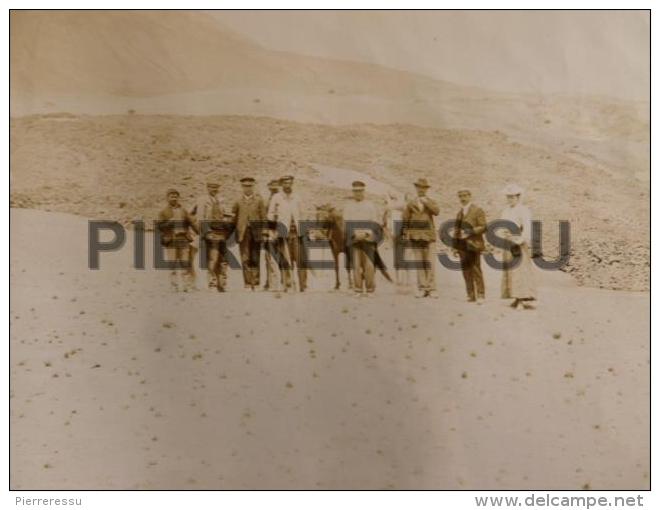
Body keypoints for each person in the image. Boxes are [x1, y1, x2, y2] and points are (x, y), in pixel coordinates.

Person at [499, 183, 537, 309]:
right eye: (508, 197)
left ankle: (521, 299)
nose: (510, 199)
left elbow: (527, 228)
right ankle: (515, 297)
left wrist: (520, 240)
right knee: (510, 271)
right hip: (508, 243)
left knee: (520, 271)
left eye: (513, 197)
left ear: (518, 197)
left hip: (518, 243)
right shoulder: (505, 210)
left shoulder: (524, 210)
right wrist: (502, 234)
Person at [266, 175, 307, 292]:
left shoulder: (297, 197)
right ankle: (288, 284)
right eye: (285, 183)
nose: (287, 185)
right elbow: (270, 214)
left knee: (300, 259)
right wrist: (275, 226)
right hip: (283, 233)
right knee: (285, 260)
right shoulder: (277, 198)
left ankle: (302, 285)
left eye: (289, 183)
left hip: (297, 233)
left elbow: (302, 214)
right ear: (281, 184)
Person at [343, 181, 383, 297]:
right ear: (353, 192)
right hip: (354, 239)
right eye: (356, 191)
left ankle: (370, 289)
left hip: (368, 239)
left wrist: (366, 233)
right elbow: (346, 223)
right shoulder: (348, 206)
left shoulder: (370, 205)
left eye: (360, 191)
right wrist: (355, 233)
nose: (358, 194)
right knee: (356, 264)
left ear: (364, 192)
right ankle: (358, 289)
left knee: (369, 265)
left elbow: (375, 222)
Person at [402, 178, 440, 298]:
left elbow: (437, 211)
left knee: (430, 263)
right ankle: (422, 288)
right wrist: (406, 233)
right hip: (415, 236)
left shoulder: (431, 201)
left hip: (429, 236)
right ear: (416, 188)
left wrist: (426, 202)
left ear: (426, 189)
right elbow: (405, 219)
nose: (421, 190)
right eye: (419, 187)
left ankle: (432, 288)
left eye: (423, 188)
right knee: (419, 263)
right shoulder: (411, 203)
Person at [192, 178, 231, 292]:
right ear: (207, 188)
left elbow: (225, 214)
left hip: (222, 233)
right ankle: (212, 283)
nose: (214, 190)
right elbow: (199, 217)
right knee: (212, 259)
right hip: (210, 233)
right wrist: (206, 232)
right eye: (212, 187)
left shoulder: (221, 200)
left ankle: (222, 283)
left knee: (224, 258)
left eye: (216, 188)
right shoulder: (202, 200)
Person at [157, 188, 199, 292]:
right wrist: (170, 222)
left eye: (176, 196)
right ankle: (174, 285)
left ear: (178, 198)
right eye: (172, 196)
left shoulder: (183, 210)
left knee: (185, 263)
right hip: (171, 240)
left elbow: (191, 222)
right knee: (172, 264)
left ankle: (186, 286)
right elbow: (160, 227)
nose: (174, 198)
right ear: (167, 198)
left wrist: (200, 232)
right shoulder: (163, 212)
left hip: (183, 239)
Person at [452, 188, 487, 303]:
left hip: (474, 245)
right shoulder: (459, 213)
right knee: (466, 270)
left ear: (470, 196)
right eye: (460, 196)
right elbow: (456, 230)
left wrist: (470, 231)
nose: (462, 199)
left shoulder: (477, 210)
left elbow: (483, 227)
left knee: (476, 269)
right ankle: (470, 295)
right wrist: (454, 246)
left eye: (464, 196)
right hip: (462, 246)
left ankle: (481, 295)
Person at [232, 177, 266, 290]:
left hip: (256, 233)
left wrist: (264, 231)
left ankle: (255, 283)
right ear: (242, 187)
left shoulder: (259, 200)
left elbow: (263, 218)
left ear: (253, 186)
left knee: (255, 257)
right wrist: (231, 234)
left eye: (250, 186)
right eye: (245, 186)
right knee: (245, 258)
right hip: (243, 233)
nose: (248, 188)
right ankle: (247, 283)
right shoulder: (237, 201)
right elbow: (234, 218)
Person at [385, 191, 412, 291]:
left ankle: (407, 279)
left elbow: (402, 207)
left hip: (405, 234)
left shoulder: (405, 209)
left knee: (406, 258)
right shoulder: (394, 212)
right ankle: (399, 279)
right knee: (397, 258)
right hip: (396, 234)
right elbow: (390, 223)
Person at [263, 179, 282, 291]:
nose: (273, 189)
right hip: (269, 231)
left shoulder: (281, 199)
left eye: (275, 187)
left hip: (280, 230)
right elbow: (265, 217)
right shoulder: (267, 201)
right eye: (271, 187)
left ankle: (282, 281)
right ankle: (269, 281)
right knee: (268, 258)